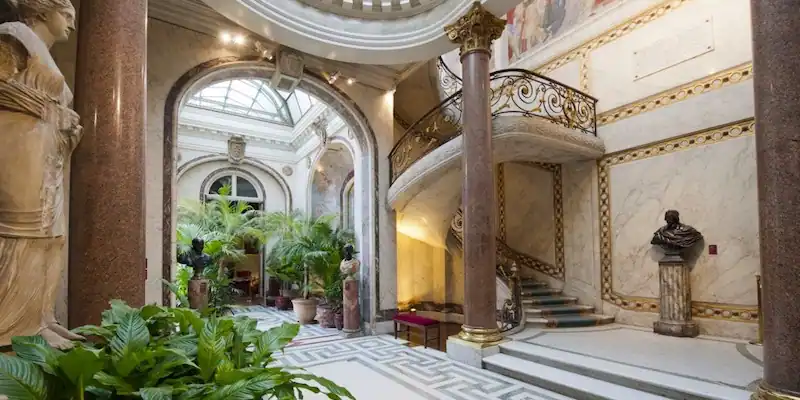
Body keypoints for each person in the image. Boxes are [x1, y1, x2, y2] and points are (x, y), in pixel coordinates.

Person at [0, 0, 83, 349]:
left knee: (52, 235)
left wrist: (68, 122)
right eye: (67, 15)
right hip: (21, 143)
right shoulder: (14, 34)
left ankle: (39, 320)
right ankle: (10, 328)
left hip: (48, 148)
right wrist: (45, 108)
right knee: (26, 230)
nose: (72, 25)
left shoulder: (45, 54)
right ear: (42, 10)